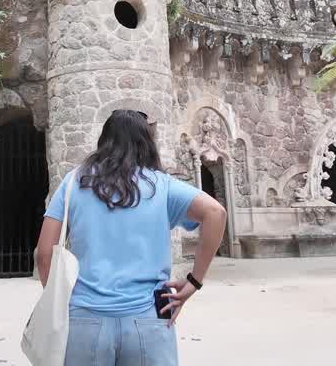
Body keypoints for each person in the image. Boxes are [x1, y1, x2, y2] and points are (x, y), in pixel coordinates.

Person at [36, 110, 227, 366]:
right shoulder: (162, 185)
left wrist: (60, 301)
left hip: (85, 318)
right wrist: (194, 280)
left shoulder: (74, 182)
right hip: (150, 317)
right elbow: (216, 212)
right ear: (146, 143)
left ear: (104, 141)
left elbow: (44, 255)